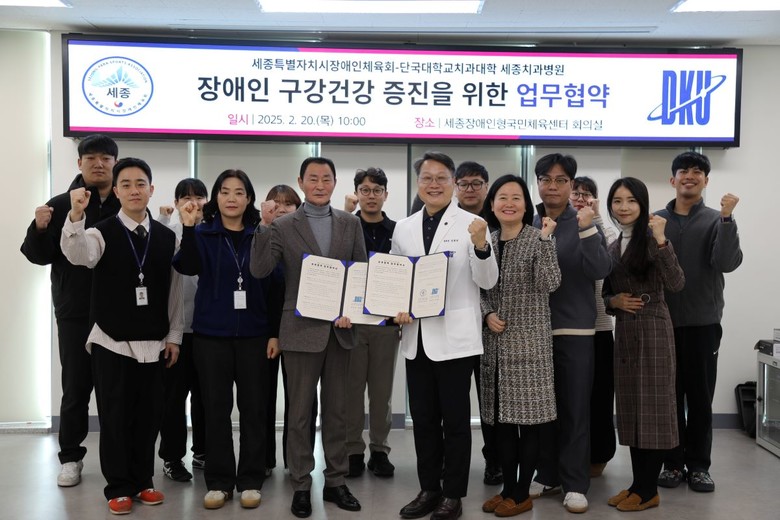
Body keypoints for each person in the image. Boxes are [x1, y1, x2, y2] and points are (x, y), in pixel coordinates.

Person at [60, 157, 183, 516]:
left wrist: (174, 336)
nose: (133, 190)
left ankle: (143, 480)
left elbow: (175, 290)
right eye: (126, 184)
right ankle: (118, 487)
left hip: (154, 343)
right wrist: (76, 216)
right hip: (111, 341)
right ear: (116, 191)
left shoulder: (166, 237)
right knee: (114, 417)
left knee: (149, 417)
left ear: (151, 189)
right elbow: (78, 255)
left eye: (140, 183)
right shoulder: (100, 232)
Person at [250, 157, 366, 519]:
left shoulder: (350, 223)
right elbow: (260, 269)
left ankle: (335, 481)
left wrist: (353, 310)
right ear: (301, 182)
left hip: (340, 329)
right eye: (312, 178)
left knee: (337, 411)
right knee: (299, 413)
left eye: (326, 178)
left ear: (334, 182)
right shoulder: (283, 225)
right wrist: (264, 226)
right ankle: (300, 484)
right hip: (299, 329)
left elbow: (360, 274)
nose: (319, 185)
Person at [393, 151, 498, 520]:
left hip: (455, 340)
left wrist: (482, 246)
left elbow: (488, 280)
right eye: (427, 178)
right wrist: (395, 307)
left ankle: (453, 494)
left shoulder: (473, 224)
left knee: (455, 422)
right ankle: (429, 489)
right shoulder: (404, 227)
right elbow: (396, 278)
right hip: (416, 338)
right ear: (418, 183)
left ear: (453, 183)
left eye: (441, 178)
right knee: (423, 420)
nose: (433, 184)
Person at [174, 169, 282, 510]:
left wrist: (274, 332)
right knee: (215, 410)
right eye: (224, 191)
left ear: (249, 198)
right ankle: (219, 482)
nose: (231, 198)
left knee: (254, 410)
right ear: (216, 198)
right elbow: (186, 266)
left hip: (255, 336)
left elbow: (275, 285)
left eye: (238, 192)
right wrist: (188, 227)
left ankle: (250, 480)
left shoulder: (261, 234)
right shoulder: (202, 233)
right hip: (211, 336)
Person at [20, 134, 120, 488]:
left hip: (118, 313)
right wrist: (39, 227)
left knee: (114, 391)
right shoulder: (61, 203)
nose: (98, 164)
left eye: (105, 158)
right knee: (76, 388)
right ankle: (70, 458)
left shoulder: (125, 202)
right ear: (79, 163)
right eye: (90, 158)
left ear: (114, 163)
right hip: (75, 311)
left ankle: (118, 461)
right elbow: (38, 255)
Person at [655, 151, 743, 493]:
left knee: (700, 399)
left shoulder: (716, 219)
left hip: (703, 324)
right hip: (662, 324)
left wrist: (727, 218)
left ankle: (699, 466)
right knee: (669, 399)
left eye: (697, 172)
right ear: (672, 179)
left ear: (706, 181)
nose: (689, 176)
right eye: (683, 171)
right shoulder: (657, 220)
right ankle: (673, 464)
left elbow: (726, 263)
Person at [529, 153, 612, 514]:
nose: (552, 186)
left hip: (576, 329)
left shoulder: (583, 221)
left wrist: (588, 228)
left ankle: (576, 483)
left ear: (571, 185)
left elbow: (600, 268)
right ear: (537, 183)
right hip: (534, 331)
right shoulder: (529, 221)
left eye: (561, 180)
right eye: (546, 179)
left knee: (576, 409)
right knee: (543, 410)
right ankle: (548, 474)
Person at [479, 175, 560, 517]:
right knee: (501, 425)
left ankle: (523, 492)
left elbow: (550, 282)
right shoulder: (486, 240)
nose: (509, 203)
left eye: (516, 197)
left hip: (529, 348)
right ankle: (508, 489)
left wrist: (546, 240)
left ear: (526, 205)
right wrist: (486, 314)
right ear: (492, 204)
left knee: (529, 425)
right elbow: (478, 288)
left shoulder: (536, 237)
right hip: (494, 347)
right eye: (502, 197)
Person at [603, 177, 685, 511]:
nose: (623, 207)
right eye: (617, 201)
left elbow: (676, 283)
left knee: (652, 409)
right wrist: (613, 302)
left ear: (643, 204)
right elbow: (606, 293)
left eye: (631, 200)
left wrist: (663, 241)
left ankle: (649, 490)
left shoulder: (652, 239)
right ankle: (638, 485)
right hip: (625, 331)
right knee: (632, 410)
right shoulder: (612, 246)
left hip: (653, 329)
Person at [343, 167, 400, 478]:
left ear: (385, 195)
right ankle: (353, 450)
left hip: (386, 324)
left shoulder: (398, 231)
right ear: (357, 193)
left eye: (377, 190)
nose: (371, 196)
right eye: (365, 190)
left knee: (381, 393)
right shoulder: (346, 226)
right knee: (351, 391)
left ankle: (379, 450)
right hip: (353, 323)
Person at [258, 184, 315, 477]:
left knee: (302, 401)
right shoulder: (260, 237)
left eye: (288, 204)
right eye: (275, 204)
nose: (281, 209)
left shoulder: (304, 240)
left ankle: (297, 460)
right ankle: (264, 460)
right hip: (264, 331)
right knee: (262, 398)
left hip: (300, 329)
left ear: (298, 208)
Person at [156, 178, 208, 481]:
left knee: (206, 397)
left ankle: (203, 452)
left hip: (208, 331)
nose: (193, 202)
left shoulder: (213, 233)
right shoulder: (168, 234)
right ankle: (172, 458)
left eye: (199, 197)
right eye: (186, 197)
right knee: (173, 400)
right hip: (175, 332)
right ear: (176, 203)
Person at [454, 161, 501, 486]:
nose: (470, 189)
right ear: (456, 187)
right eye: (464, 184)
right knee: (453, 401)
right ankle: (451, 463)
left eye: (477, 183)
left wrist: (487, 312)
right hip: (455, 327)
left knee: (490, 399)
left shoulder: (499, 219)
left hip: (493, 328)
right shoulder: (446, 222)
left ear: (486, 186)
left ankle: (494, 460)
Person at [570, 176, 618, 478]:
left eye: (586, 194)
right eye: (576, 193)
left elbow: (613, 251)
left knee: (600, 396)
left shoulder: (602, 226)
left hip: (600, 326)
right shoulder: (559, 225)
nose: (580, 198)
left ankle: (599, 456)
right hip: (568, 326)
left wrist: (597, 217)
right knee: (571, 399)